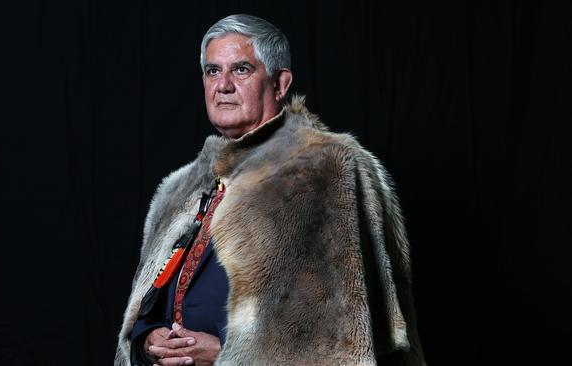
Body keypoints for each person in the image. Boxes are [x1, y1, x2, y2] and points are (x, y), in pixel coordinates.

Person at [116, 14, 426, 366]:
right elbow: (148, 307)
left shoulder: (327, 170)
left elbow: (348, 336)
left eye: (242, 70)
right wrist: (148, 340)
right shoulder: (181, 187)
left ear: (280, 84)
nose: (223, 85)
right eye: (213, 71)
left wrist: (226, 357)